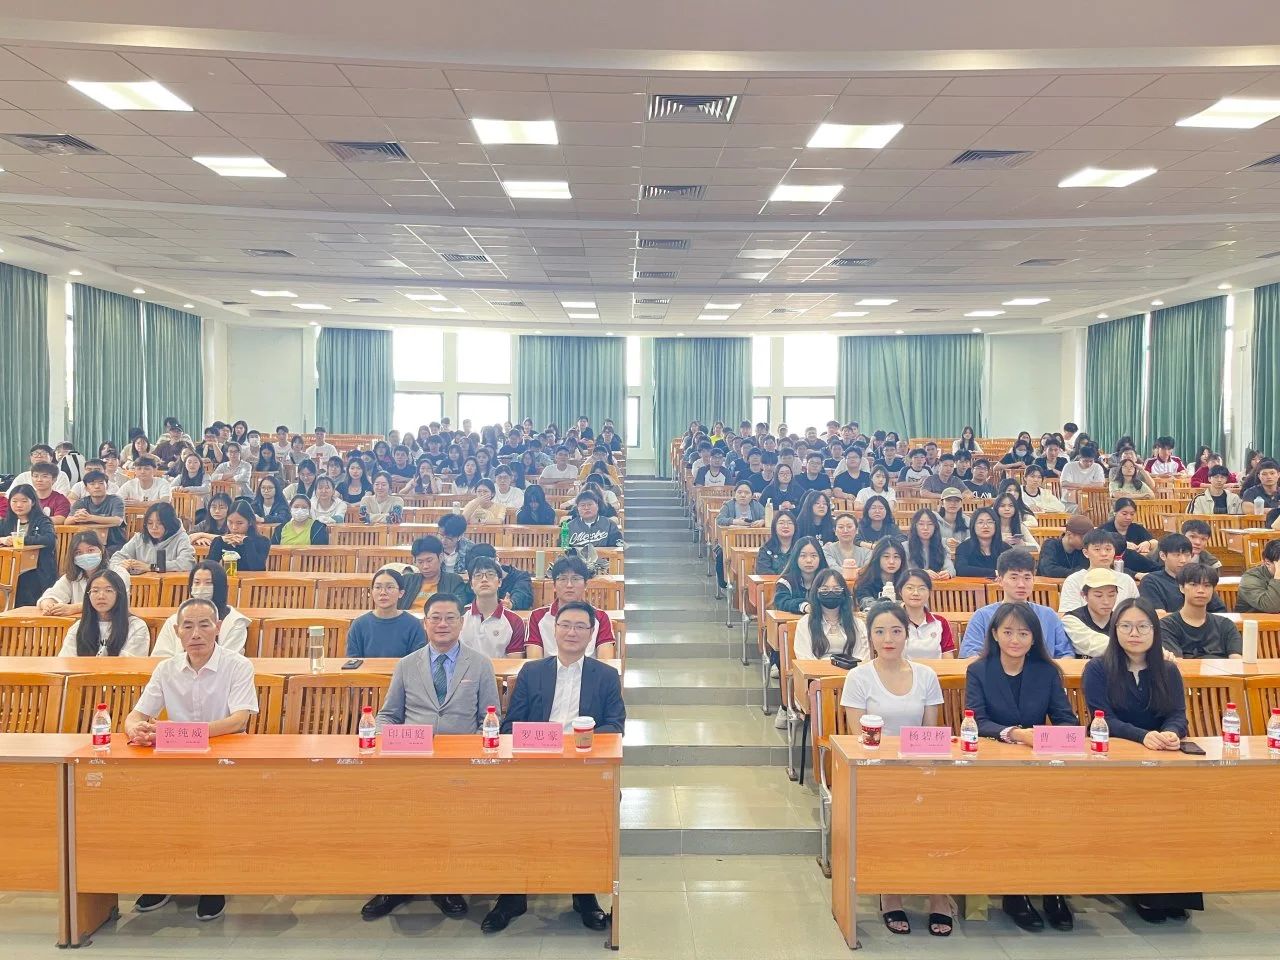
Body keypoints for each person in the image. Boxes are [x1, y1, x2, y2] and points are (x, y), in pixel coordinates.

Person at [484, 600, 623, 935]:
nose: (572, 632)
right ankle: (513, 895)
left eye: (580, 626)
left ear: (591, 634)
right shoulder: (532, 672)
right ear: (554, 630)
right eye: (565, 625)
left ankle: (584, 893)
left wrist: (576, 741)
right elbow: (510, 725)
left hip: (583, 767)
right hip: (535, 765)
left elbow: (616, 726)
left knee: (591, 813)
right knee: (510, 808)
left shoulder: (606, 675)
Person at [362, 592, 502, 922]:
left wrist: (475, 754)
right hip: (412, 760)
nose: (442, 624)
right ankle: (395, 886)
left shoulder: (480, 664)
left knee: (451, 820)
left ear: (461, 623)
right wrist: (385, 739)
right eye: (435, 618)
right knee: (398, 815)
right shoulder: (406, 664)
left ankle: (446, 885)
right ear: (425, 623)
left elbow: (490, 717)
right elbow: (388, 715)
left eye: (450, 618)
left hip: (462, 763)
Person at [126, 597, 258, 922]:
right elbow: (137, 715)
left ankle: (212, 883)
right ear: (177, 631)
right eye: (188, 626)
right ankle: (165, 878)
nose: (196, 633)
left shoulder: (238, 665)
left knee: (211, 809)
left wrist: (182, 733)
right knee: (150, 804)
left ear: (218, 627)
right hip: (177, 759)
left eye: (204, 625)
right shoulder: (166, 668)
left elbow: (238, 720)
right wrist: (134, 729)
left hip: (226, 760)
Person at [964, 601, 1077, 932]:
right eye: (1008, 632)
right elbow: (975, 721)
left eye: (1024, 633)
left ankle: (1054, 890)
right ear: (995, 634)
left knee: (1058, 813)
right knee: (1011, 816)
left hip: (1040, 762)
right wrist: (1015, 734)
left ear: (1034, 638)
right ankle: (1015, 893)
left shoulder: (1047, 672)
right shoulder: (979, 670)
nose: (1015, 640)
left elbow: (1066, 719)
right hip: (993, 765)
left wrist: (1052, 740)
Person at [840, 601, 950, 935]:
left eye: (896, 631)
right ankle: (890, 892)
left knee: (943, 809)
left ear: (907, 635)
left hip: (919, 768)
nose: (888, 639)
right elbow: (858, 738)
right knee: (890, 811)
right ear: (870, 637)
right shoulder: (859, 677)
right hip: (875, 772)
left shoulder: (926, 675)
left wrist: (919, 770)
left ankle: (939, 893)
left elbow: (931, 733)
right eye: (880, 631)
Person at [960, 549, 1074, 657]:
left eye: (1027, 578)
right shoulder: (982, 616)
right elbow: (970, 654)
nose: (1021, 584)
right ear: (1000, 580)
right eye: (1014, 578)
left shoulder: (1048, 615)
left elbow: (1066, 654)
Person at [152, 562, 251, 657]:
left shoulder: (235, 622)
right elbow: (160, 656)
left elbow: (230, 660)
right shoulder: (174, 620)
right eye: (196, 582)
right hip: (176, 668)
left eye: (208, 583)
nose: (201, 588)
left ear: (220, 587)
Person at [526, 556, 617, 659]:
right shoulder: (537, 617)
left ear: (585, 585)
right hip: (548, 669)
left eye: (575, 579)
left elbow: (605, 661)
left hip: (589, 669)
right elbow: (534, 662)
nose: (569, 585)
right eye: (563, 579)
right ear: (554, 585)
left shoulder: (600, 617)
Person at [57, 568, 150, 656]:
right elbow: (66, 661)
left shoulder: (136, 627)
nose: (101, 596)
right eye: (95, 591)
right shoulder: (78, 627)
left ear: (120, 594)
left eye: (108, 590)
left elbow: (130, 663)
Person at [37, 530, 127, 616]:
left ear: (102, 550)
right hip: (80, 624)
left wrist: (74, 608)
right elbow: (51, 595)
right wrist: (49, 606)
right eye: (78, 552)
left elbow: (117, 601)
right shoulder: (73, 576)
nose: (85, 555)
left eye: (90, 550)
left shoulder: (118, 573)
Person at [1160, 563, 1241, 657]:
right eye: (1193, 585)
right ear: (1181, 588)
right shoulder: (1166, 626)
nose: (1201, 590)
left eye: (1207, 585)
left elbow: (1236, 659)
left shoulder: (1226, 625)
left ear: (1213, 589)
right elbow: (1175, 662)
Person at [345, 570, 427, 658]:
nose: (383, 592)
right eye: (378, 587)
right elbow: (353, 660)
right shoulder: (359, 624)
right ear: (372, 592)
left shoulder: (414, 625)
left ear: (401, 593)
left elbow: (417, 661)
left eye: (390, 587)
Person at [1138, 533, 1226, 614]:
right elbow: (1159, 616)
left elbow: (1219, 611)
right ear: (1163, 556)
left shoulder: (1200, 578)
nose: (1183, 560)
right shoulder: (1151, 581)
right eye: (1177, 555)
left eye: (1187, 555)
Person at [457, 557, 528, 656]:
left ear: (500, 582)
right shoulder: (458, 615)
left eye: (490, 575)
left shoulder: (514, 621)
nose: (484, 580)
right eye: (478, 575)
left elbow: (515, 661)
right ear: (471, 585)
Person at [792, 570, 868, 662]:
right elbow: (804, 659)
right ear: (816, 592)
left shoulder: (858, 624)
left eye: (837, 589)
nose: (831, 593)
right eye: (824, 589)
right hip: (816, 670)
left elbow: (862, 658)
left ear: (844, 593)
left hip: (851, 670)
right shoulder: (805, 623)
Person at [0, 483, 57, 604]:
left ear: (33, 502)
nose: (19, 505)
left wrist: (22, 540)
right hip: (9, 568)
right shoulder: (6, 522)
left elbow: (49, 539)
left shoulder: (42, 520)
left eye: (24, 501)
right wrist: (3, 539)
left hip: (37, 570)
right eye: (14, 501)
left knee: (25, 582)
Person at [111, 502, 195, 575]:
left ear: (170, 523)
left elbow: (187, 563)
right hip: (142, 586)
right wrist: (122, 565)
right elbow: (115, 559)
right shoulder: (139, 538)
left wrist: (151, 567)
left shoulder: (181, 538)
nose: (154, 527)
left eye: (160, 523)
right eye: (150, 523)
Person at [1060, 567, 1123, 657]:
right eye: (1098, 595)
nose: (1106, 601)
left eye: (1111, 595)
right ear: (1084, 595)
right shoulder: (1071, 620)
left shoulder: (1121, 620)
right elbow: (1094, 644)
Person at [899, 568, 957, 658]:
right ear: (900, 592)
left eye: (921, 588)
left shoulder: (940, 622)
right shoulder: (892, 621)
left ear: (929, 592)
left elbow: (948, 657)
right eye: (910, 588)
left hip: (935, 667)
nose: (915, 593)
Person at [403, 535, 470, 606]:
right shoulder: (407, 581)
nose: (425, 566)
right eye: (420, 562)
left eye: (429, 561)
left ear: (440, 557)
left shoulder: (453, 581)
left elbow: (458, 606)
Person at [465, 543, 535, 610]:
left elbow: (523, 595)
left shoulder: (519, 576)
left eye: (488, 566)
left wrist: (511, 604)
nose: (484, 579)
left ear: (496, 558)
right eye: (478, 573)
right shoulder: (474, 581)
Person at [1101, 498, 1161, 575]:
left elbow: (1155, 542)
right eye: (1124, 514)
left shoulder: (1137, 528)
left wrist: (1148, 543)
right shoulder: (1104, 530)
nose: (1128, 517)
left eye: (1132, 514)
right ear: (1115, 512)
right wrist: (1124, 545)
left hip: (1142, 562)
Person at [207, 501, 271, 572]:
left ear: (250, 522)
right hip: (229, 578)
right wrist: (219, 541)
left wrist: (247, 542)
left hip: (252, 579)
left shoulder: (262, 541)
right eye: (230, 522)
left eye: (239, 523)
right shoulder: (221, 541)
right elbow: (207, 568)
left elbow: (258, 569)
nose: (234, 527)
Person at [772, 537, 828, 614]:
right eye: (803, 556)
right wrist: (804, 606)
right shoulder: (785, 582)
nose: (809, 560)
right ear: (795, 558)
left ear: (820, 558)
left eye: (814, 555)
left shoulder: (828, 580)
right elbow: (782, 602)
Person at [854, 537, 908, 610]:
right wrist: (899, 605)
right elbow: (866, 603)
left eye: (896, 557)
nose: (891, 561)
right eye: (886, 556)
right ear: (877, 558)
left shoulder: (907, 580)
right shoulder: (865, 579)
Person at [953, 507, 1006, 579]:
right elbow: (961, 569)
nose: (985, 526)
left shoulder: (1006, 549)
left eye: (990, 522)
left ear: (996, 525)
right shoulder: (964, 547)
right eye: (980, 522)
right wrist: (994, 573)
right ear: (973, 526)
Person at [1237, 538, 1280, 613]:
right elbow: (1271, 607)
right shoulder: (1250, 578)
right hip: (1253, 619)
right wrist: (1278, 577)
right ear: (1267, 563)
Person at [756, 511, 797, 575]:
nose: (786, 526)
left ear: (795, 527)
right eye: (781, 523)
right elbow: (764, 572)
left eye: (790, 523)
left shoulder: (800, 548)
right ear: (774, 527)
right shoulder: (766, 550)